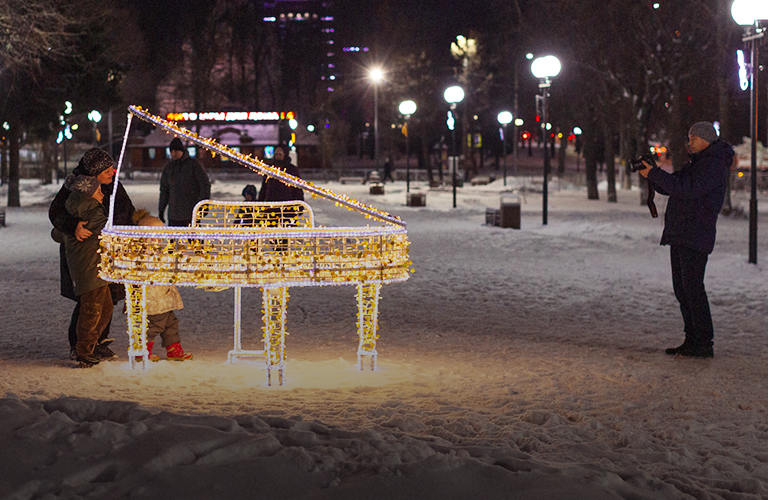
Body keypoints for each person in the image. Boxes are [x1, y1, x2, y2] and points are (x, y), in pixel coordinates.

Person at [639, 121, 733, 358]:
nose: (689, 142)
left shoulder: (713, 166)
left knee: (692, 289)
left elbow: (686, 189)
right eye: (689, 137)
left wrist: (655, 173)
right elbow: (674, 187)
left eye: (693, 138)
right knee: (683, 289)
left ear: (706, 139)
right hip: (683, 233)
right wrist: (653, 173)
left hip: (695, 233)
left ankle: (703, 342)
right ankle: (692, 340)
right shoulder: (699, 163)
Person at [49, 148, 134, 361]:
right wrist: (73, 226)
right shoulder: (76, 187)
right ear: (94, 173)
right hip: (84, 252)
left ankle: (97, 341)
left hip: (110, 251)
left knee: (107, 298)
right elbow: (56, 213)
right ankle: (79, 345)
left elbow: (127, 211)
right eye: (107, 170)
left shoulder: (113, 184)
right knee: (89, 300)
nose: (112, 172)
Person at [62, 176, 113, 367]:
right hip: (90, 268)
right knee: (92, 311)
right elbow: (108, 231)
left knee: (105, 308)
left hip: (90, 267)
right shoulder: (91, 211)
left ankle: (89, 345)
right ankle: (83, 350)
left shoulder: (74, 211)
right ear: (88, 194)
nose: (102, 194)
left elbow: (57, 234)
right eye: (99, 191)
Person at [135, 214, 194, 361]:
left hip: (164, 298)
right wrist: (175, 258)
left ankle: (174, 349)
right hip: (154, 301)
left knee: (170, 324)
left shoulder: (158, 250)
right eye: (157, 233)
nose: (161, 237)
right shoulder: (145, 254)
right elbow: (162, 263)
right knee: (154, 325)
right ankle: (143, 351)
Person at [158, 138, 211, 226]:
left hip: (191, 212)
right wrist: (161, 209)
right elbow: (164, 190)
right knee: (174, 239)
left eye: (175, 151)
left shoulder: (193, 165)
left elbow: (204, 185)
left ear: (181, 151)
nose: (173, 154)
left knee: (193, 238)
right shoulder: (168, 168)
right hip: (174, 214)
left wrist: (203, 206)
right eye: (171, 151)